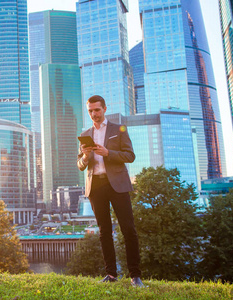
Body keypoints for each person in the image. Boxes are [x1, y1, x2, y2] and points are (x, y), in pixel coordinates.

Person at [77, 95, 143, 287]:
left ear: (105, 108)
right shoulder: (85, 133)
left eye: (97, 110)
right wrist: (86, 156)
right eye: (90, 111)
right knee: (104, 232)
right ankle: (111, 275)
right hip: (95, 186)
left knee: (128, 229)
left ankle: (135, 275)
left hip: (118, 185)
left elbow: (130, 156)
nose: (93, 114)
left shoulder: (118, 129)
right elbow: (80, 165)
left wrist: (108, 153)